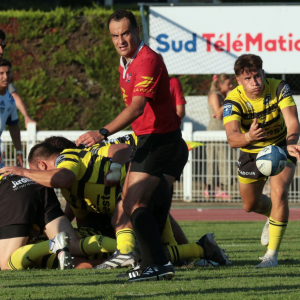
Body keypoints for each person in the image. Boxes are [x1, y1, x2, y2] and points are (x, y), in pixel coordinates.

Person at [75, 9, 187, 282]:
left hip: (161, 140)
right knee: (132, 202)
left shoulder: (147, 60)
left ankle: (157, 263)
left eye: (125, 33)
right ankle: (152, 261)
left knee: (135, 202)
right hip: (149, 140)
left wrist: (102, 132)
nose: (120, 40)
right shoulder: (124, 62)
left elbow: (137, 108)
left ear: (137, 31)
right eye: (115, 35)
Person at [223, 54, 300, 268]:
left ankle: (271, 256)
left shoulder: (278, 87)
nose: (255, 83)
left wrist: (292, 142)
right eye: (248, 79)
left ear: (263, 73)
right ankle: (270, 214)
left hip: (281, 146)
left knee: (279, 192)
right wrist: (249, 137)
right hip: (250, 151)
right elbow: (232, 137)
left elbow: (292, 121)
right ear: (238, 80)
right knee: (249, 205)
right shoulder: (233, 100)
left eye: (257, 76)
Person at [0, 29, 37, 129]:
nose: (1, 51)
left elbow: (13, 95)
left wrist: (26, 116)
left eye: (3, 47)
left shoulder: (3, 69)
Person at [205, 73, 233, 199]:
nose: (231, 86)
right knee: (212, 160)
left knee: (224, 160)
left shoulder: (222, 96)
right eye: (229, 84)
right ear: (221, 84)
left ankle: (221, 189)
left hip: (223, 129)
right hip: (215, 130)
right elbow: (219, 113)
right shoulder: (214, 95)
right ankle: (209, 189)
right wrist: (228, 99)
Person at [0, 58, 23, 167]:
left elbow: (13, 125)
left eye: (8, 73)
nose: (5, 76)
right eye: (1, 73)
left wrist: (19, 151)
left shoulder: (10, 99)